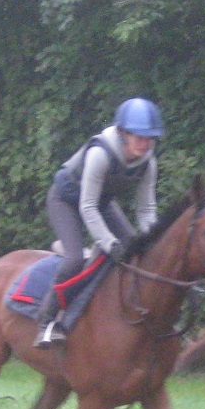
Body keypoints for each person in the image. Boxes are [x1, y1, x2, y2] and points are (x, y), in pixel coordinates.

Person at [34, 97, 163, 348]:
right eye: (139, 137)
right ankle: (47, 322)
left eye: (150, 138)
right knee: (74, 260)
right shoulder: (100, 154)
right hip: (65, 200)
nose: (145, 143)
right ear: (123, 134)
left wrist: (152, 239)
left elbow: (146, 209)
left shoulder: (149, 163)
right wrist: (108, 242)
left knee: (133, 248)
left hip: (101, 202)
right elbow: (87, 206)